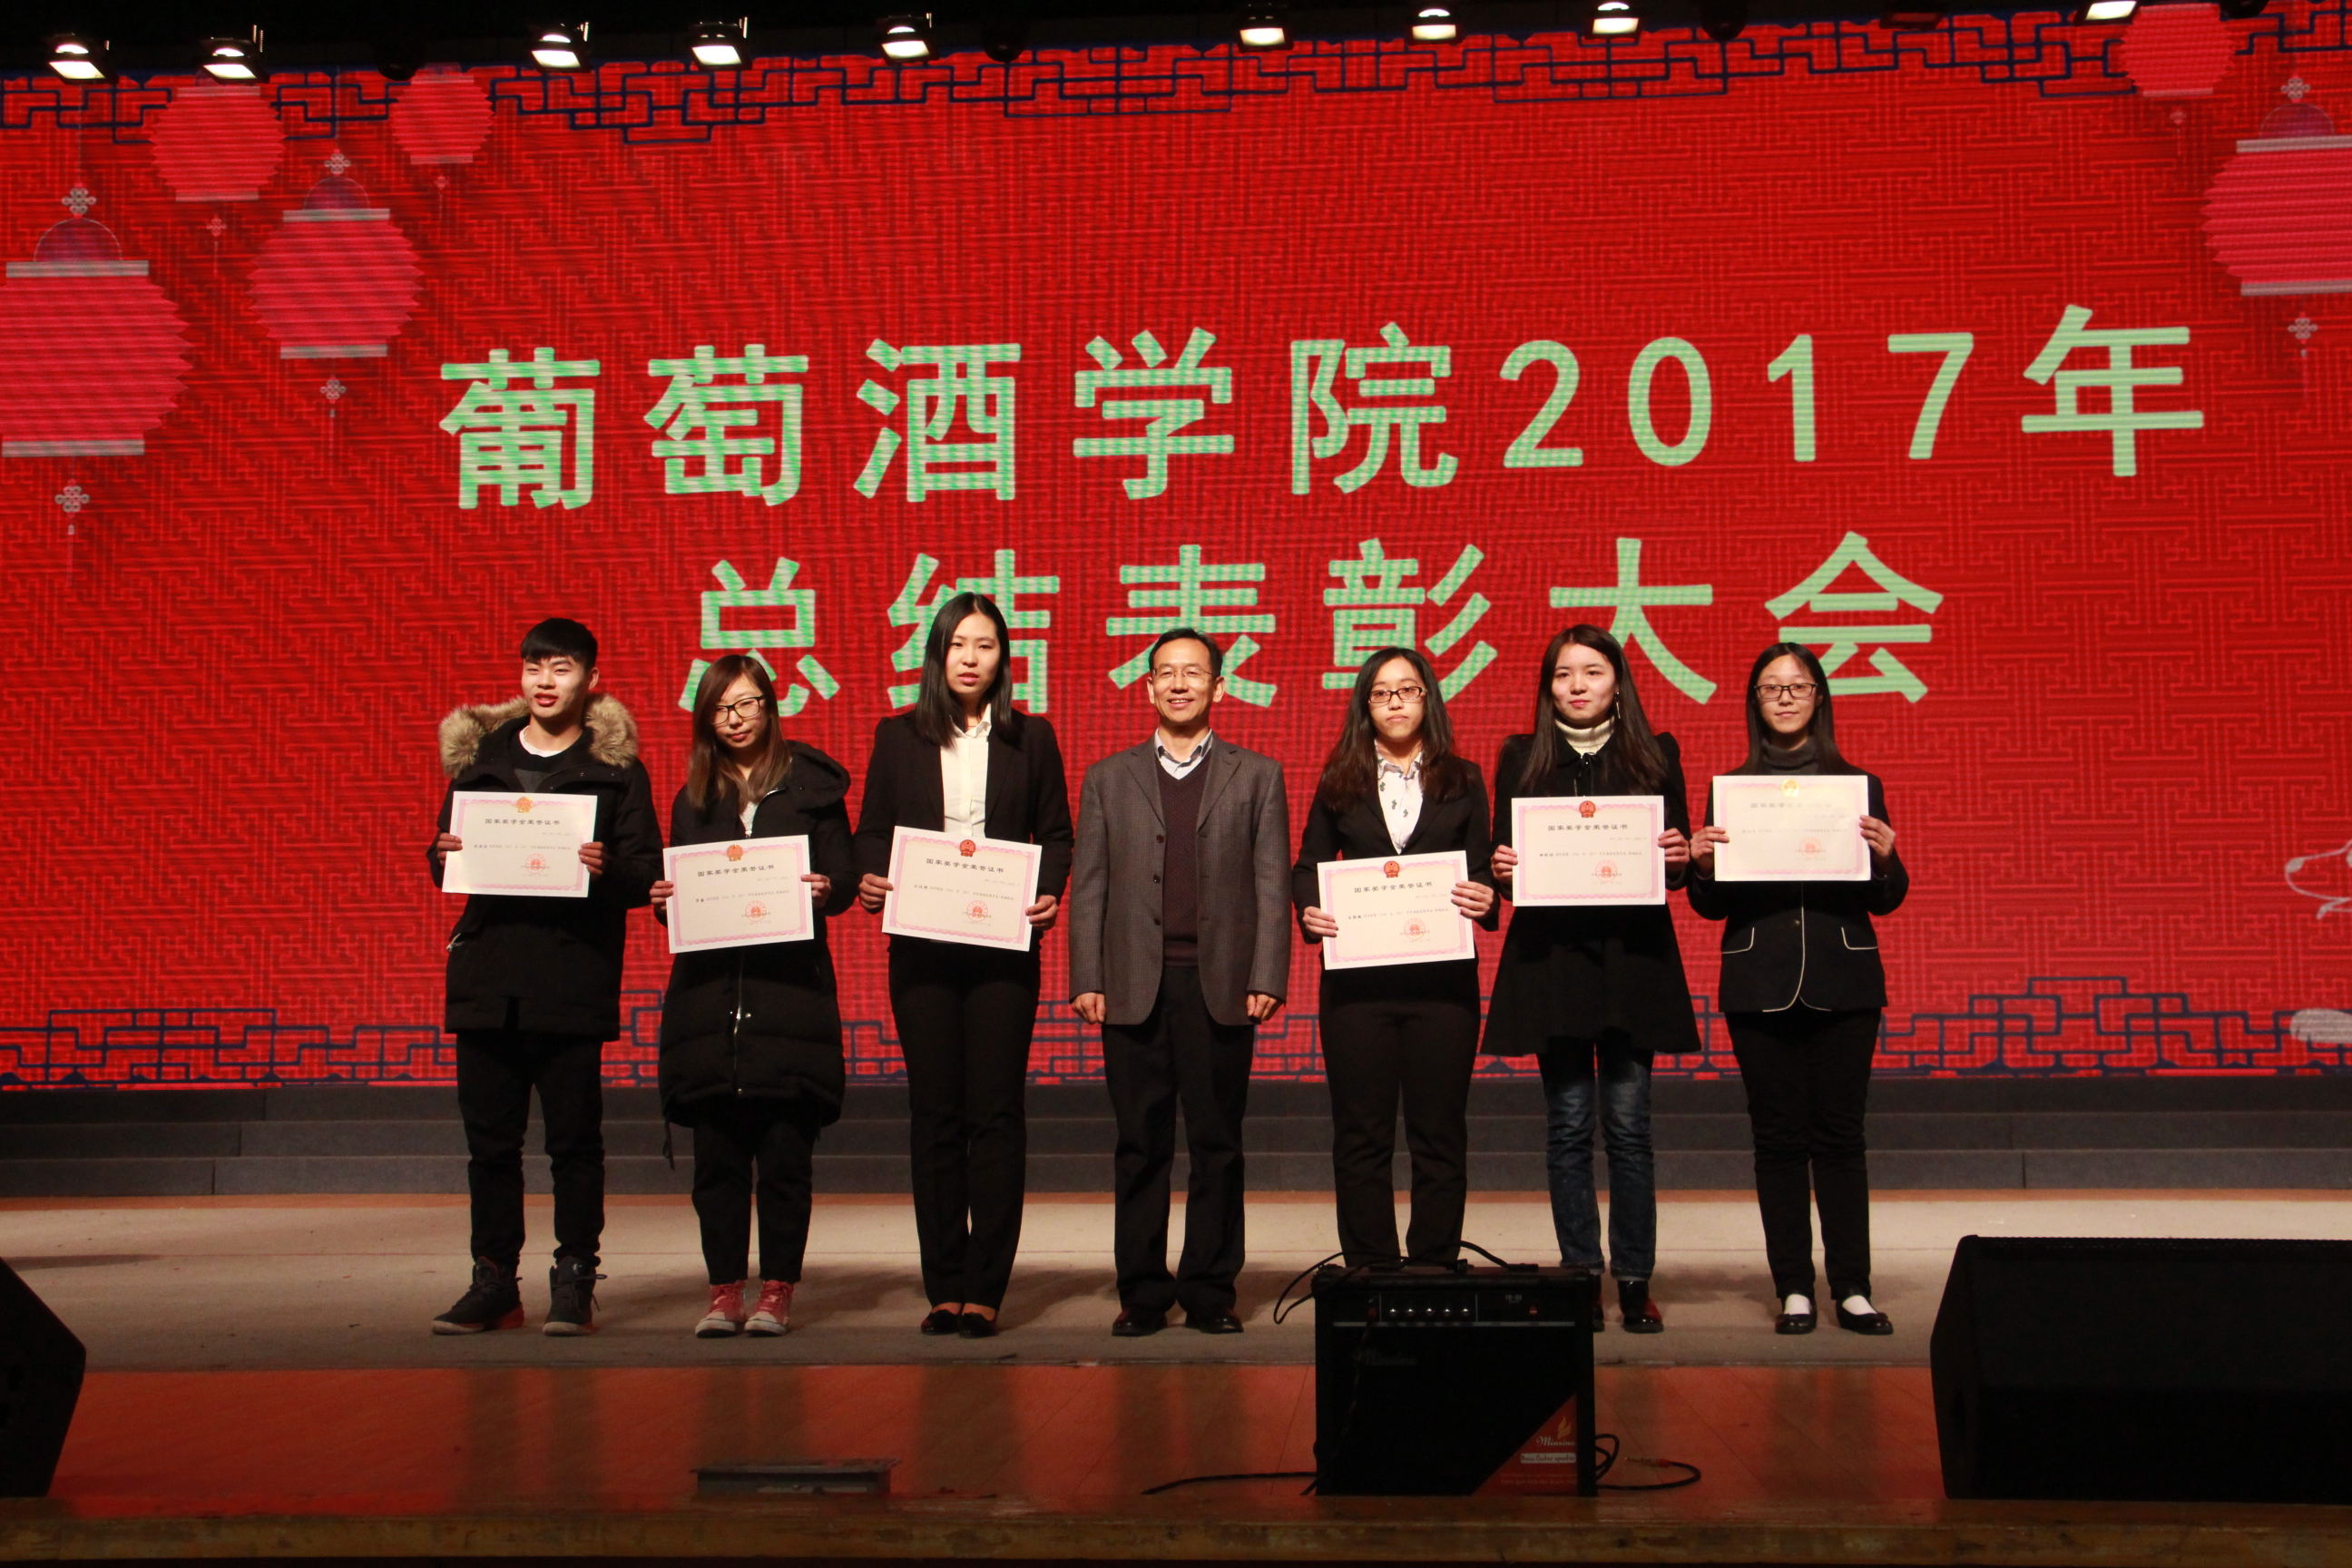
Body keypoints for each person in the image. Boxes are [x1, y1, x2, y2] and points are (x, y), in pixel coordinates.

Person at [426, 617, 661, 1337]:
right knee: (491, 1146)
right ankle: (494, 1281)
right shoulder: (482, 757)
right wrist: (442, 853)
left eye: (561, 668)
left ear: (591, 679)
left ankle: (574, 1277)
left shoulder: (616, 768)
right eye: (534, 667)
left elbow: (645, 873)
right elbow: (446, 858)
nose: (545, 681)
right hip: (488, 975)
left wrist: (604, 868)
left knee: (573, 1144)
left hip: (570, 976)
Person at [853, 593, 1073, 1338]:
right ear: (937, 654)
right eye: (958, 644)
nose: (971, 658)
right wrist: (871, 877)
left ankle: (987, 1286)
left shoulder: (1031, 738)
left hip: (1003, 951)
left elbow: (1057, 834)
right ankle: (944, 1284)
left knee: (996, 1114)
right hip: (922, 951)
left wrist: (1048, 892)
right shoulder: (897, 736)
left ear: (1004, 658)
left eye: (986, 645)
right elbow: (872, 832)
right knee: (936, 1115)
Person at [1069, 627, 1290, 1338]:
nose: (1179, 684)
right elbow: (1090, 885)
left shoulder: (1258, 775)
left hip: (1220, 985)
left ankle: (1210, 1291)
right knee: (1140, 1145)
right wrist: (1087, 975)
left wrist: (1268, 972)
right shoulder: (1109, 777)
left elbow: (1272, 884)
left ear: (1219, 687)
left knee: (1218, 1145)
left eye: (1193, 673)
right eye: (1166, 672)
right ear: (1148, 687)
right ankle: (1141, 1293)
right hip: (1133, 985)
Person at [1688, 643, 1907, 1336]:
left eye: (1798, 686)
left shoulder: (1857, 785)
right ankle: (1793, 1288)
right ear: (1754, 701)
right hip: (1759, 982)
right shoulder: (1732, 790)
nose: (1784, 697)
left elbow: (1886, 897)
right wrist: (1701, 864)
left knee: (1841, 1136)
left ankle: (1853, 1287)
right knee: (1778, 1139)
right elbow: (1710, 907)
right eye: (1771, 687)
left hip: (1846, 979)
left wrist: (1887, 857)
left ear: (1819, 697)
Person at [1485, 624, 1700, 1334]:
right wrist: (1502, 869)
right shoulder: (1520, 756)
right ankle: (1580, 1275)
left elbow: (1676, 864)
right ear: (1547, 687)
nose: (1577, 686)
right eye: (1562, 674)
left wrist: (1678, 857)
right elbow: (1502, 863)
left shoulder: (1656, 752)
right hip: (1554, 962)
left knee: (1630, 1129)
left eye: (1592, 672)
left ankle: (1634, 1280)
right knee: (1569, 1127)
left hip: (1632, 960)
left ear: (1618, 681)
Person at [650, 655, 858, 1338]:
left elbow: (845, 877)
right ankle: (723, 1293)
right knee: (717, 1163)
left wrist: (826, 888)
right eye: (720, 709)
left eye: (746, 704)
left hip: (788, 998)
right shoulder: (693, 799)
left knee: (784, 1159)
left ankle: (776, 1291)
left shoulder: (811, 791)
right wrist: (666, 901)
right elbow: (681, 893)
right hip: (708, 1004)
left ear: (770, 706)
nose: (735, 719)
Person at [1293, 648, 1497, 1267]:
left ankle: (1434, 1264)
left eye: (1408, 690)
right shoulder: (1340, 780)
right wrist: (1311, 910)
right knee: (1362, 1133)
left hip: (1443, 988)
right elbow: (1307, 868)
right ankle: (1370, 1268)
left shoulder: (1464, 779)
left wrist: (1486, 895)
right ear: (1366, 706)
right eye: (1381, 693)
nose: (1396, 702)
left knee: (1439, 1132)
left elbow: (1483, 870)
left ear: (1428, 698)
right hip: (1358, 989)